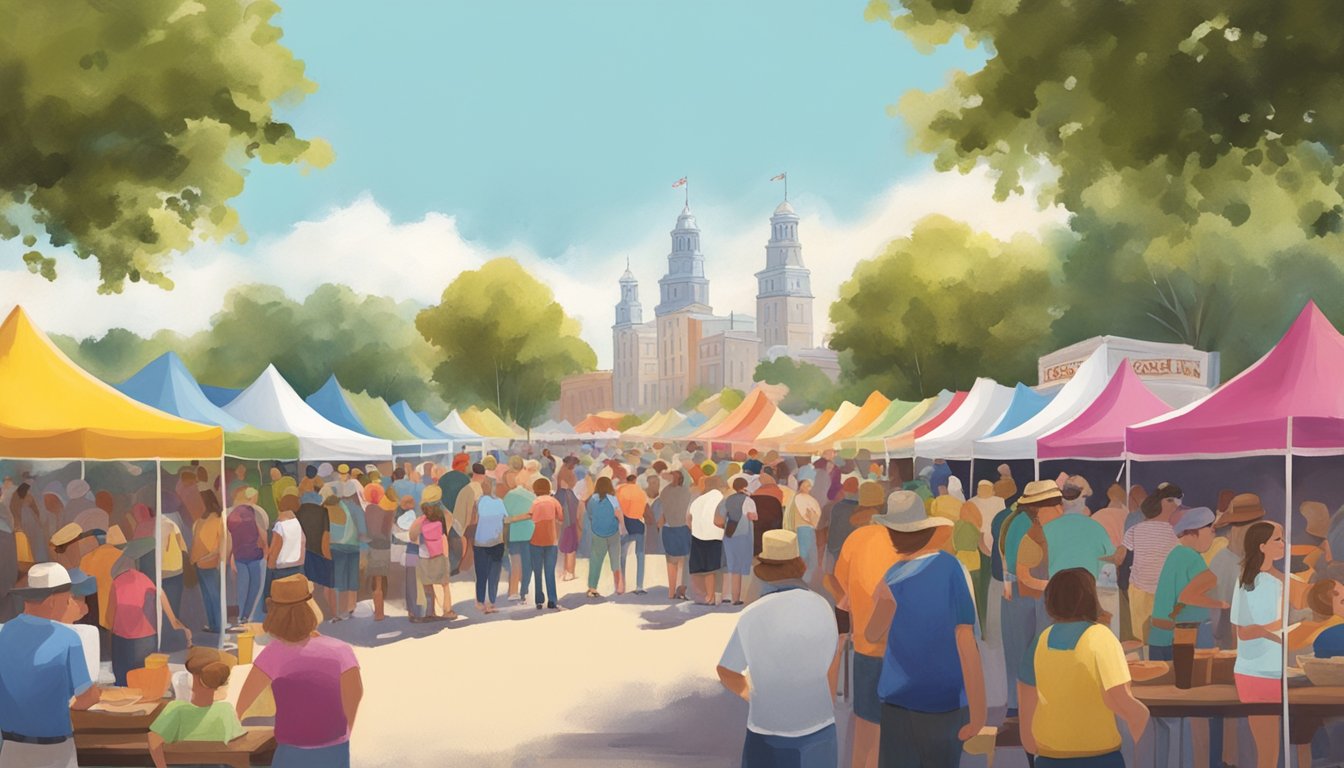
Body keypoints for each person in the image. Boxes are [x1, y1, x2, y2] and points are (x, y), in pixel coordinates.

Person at [864, 485, 985, 768]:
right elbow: (965, 640)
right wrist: (978, 712)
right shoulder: (951, 568)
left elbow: (871, 634)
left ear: (892, 534)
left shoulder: (891, 576)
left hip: (897, 698)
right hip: (944, 699)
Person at [718, 530, 840, 768]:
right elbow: (830, 667)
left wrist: (753, 694)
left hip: (766, 731)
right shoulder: (823, 607)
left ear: (764, 571)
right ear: (798, 565)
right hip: (818, 728)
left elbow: (726, 671)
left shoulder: (752, 615)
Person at [1018, 569, 1150, 767]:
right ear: (1091, 598)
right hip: (1099, 758)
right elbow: (1123, 702)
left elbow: (1027, 729)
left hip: (1049, 758)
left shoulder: (1040, 640)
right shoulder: (1101, 637)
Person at [236, 575, 362, 768]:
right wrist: (343, 734)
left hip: (290, 751)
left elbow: (241, 707)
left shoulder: (272, 654)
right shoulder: (341, 651)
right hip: (334, 750)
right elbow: (354, 696)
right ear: (311, 608)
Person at [829, 490, 910, 768]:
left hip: (866, 644)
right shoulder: (919, 547)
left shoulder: (858, 538)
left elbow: (840, 581)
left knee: (866, 724)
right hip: (908, 648)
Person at [0, 563, 101, 768]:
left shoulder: (5, 633)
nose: (69, 604)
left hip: (11, 749)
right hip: (55, 752)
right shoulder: (67, 638)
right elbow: (87, 697)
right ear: (54, 600)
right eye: (68, 599)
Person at [1231, 521, 1286, 768]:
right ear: (1262, 546)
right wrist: (1277, 634)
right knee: (1267, 749)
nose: (1283, 544)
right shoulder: (1246, 581)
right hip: (1255, 672)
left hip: (1277, 670)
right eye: (1278, 539)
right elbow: (1243, 631)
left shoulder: (1281, 580)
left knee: (1272, 748)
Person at [109, 539, 190, 685]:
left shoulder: (117, 582)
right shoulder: (154, 587)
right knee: (142, 684)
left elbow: (109, 617)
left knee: (122, 683)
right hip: (145, 642)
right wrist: (186, 632)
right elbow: (173, 621)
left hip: (120, 642)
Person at [147, 647, 245, 768]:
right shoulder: (225, 710)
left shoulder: (176, 709)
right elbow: (240, 747)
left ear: (192, 678)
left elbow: (153, 740)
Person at [1111, 482, 1181, 645]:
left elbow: (1119, 556)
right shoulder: (1175, 532)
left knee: (1142, 637)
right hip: (1164, 591)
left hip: (1140, 590)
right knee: (1164, 636)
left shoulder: (1135, 529)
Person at [409, 486, 457, 621]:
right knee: (444, 583)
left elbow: (412, 536)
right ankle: (447, 610)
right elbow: (447, 530)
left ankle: (430, 612)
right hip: (442, 553)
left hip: (425, 554)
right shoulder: (446, 516)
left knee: (427, 584)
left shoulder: (420, 520)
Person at [228, 489, 270, 626]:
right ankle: (247, 616)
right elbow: (263, 535)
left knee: (242, 587)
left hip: (240, 555)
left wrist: (232, 557)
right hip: (255, 555)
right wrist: (266, 552)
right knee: (255, 587)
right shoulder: (257, 512)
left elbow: (232, 539)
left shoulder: (233, 513)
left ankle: (242, 617)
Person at [519, 477, 563, 610]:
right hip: (551, 540)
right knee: (549, 571)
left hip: (535, 541)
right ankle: (552, 600)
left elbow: (530, 518)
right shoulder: (554, 502)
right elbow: (561, 519)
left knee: (537, 572)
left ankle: (539, 600)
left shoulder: (535, 502)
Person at [189, 488, 225, 635]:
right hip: (202, 563)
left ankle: (217, 624)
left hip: (207, 562)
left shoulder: (216, 521)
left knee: (212, 595)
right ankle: (214, 624)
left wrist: (207, 559)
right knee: (209, 595)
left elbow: (220, 545)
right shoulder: (201, 521)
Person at [719, 476, 759, 606]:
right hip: (743, 534)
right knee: (740, 566)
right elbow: (754, 516)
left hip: (729, 534)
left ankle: (729, 596)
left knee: (730, 564)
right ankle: (737, 598)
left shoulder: (727, 499)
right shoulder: (748, 500)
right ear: (745, 486)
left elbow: (721, 518)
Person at [655, 469, 693, 601]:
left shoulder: (664, 492)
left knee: (671, 561)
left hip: (668, 528)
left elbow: (662, 514)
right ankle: (681, 589)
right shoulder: (687, 492)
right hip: (683, 528)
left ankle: (671, 592)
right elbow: (689, 514)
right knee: (684, 560)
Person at [584, 476, 625, 598]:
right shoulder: (613, 499)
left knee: (596, 560)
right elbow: (618, 514)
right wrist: (622, 526)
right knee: (615, 559)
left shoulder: (592, 500)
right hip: (613, 532)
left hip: (597, 533)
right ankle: (618, 586)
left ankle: (592, 587)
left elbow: (590, 515)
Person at [689, 476, 727, 606]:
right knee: (712, 568)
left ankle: (701, 595)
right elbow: (719, 519)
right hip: (714, 536)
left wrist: (696, 529)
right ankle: (711, 597)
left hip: (697, 535)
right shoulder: (719, 497)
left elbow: (688, 519)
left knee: (699, 567)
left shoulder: (698, 499)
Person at [472, 477, 507, 613]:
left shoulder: (478, 502)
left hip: (481, 541)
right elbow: (505, 519)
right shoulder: (499, 502)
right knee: (493, 573)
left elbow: (474, 519)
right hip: (496, 541)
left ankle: (482, 601)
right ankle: (490, 602)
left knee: (482, 573)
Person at [503, 474, 537, 603]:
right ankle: (524, 591)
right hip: (529, 533)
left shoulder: (509, 496)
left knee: (516, 563)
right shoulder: (532, 497)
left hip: (514, 534)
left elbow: (504, 514)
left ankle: (513, 591)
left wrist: (512, 519)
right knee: (527, 563)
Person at [363, 488, 394, 622]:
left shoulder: (369, 510)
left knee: (376, 582)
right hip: (385, 547)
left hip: (373, 546)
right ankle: (380, 611)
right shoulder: (387, 511)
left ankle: (378, 612)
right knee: (381, 580)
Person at [616, 474, 650, 595]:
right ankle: (639, 585)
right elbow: (645, 509)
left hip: (624, 524)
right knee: (640, 555)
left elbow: (617, 508)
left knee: (622, 555)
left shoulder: (620, 490)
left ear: (627, 480)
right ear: (635, 481)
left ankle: (622, 584)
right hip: (639, 524)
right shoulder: (641, 492)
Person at [789, 479, 823, 587]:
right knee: (805, 554)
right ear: (801, 486)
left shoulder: (808, 499)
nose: (809, 488)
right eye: (806, 485)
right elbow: (808, 515)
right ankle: (801, 581)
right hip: (805, 528)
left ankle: (803, 580)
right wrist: (814, 518)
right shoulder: (799, 498)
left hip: (809, 529)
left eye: (810, 486)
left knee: (810, 556)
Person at [555, 458, 582, 581]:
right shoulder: (568, 494)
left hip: (564, 522)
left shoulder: (560, 493)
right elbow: (574, 513)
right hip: (569, 521)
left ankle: (567, 570)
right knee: (571, 543)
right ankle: (570, 571)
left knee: (566, 543)